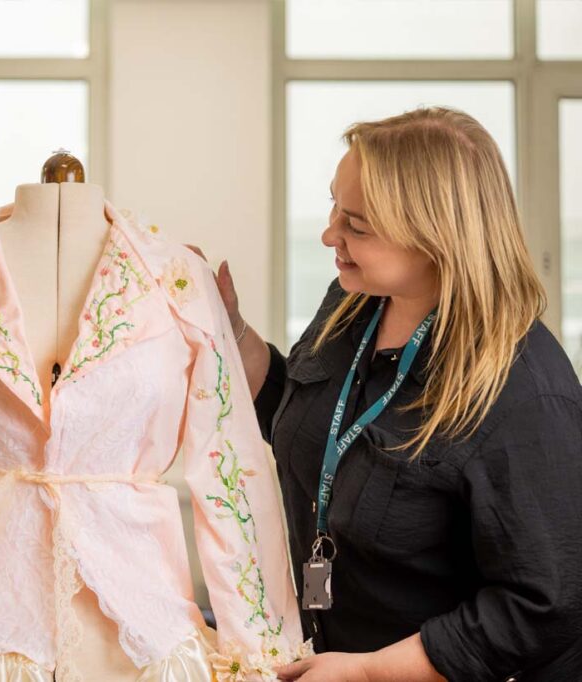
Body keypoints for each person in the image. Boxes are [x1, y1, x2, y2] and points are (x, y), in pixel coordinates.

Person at [207, 107, 582, 681]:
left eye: (356, 226)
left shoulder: (524, 390)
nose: (330, 234)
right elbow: (308, 418)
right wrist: (231, 331)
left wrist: (369, 672)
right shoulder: (353, 301)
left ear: (437, 238)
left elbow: (542, 606)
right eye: (334, 205)